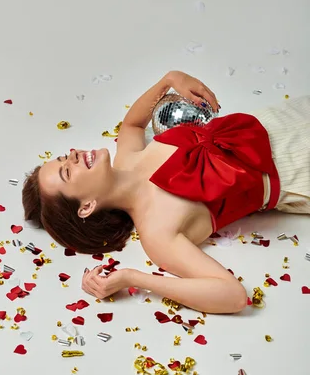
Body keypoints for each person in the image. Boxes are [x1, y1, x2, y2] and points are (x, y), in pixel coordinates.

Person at [22, 71, 310, 314]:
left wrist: (169, 80)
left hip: (280, 119)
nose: (72, 155)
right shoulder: (157, 233)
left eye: (63, 157)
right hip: (297, 170)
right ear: (86, 207)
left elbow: (132, 124)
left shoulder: (128, 158)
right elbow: (232, 295)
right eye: (67, 172)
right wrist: (133, 277)